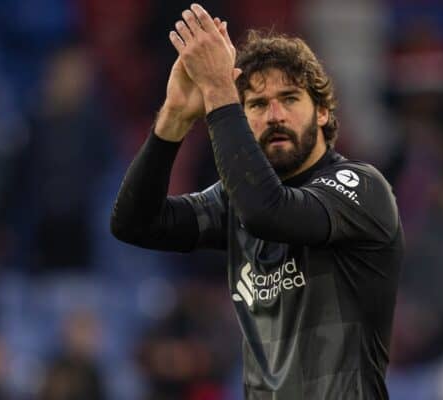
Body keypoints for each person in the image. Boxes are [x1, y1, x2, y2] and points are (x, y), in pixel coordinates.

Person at [111, 3, 404, 399]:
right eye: (257, 104)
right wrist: (175, 119)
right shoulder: (239, 200)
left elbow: (269, 212)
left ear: (321, 112)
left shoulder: (359, 187)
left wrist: (218, 90)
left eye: (289, 98)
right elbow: (135, 223)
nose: (275, 115)